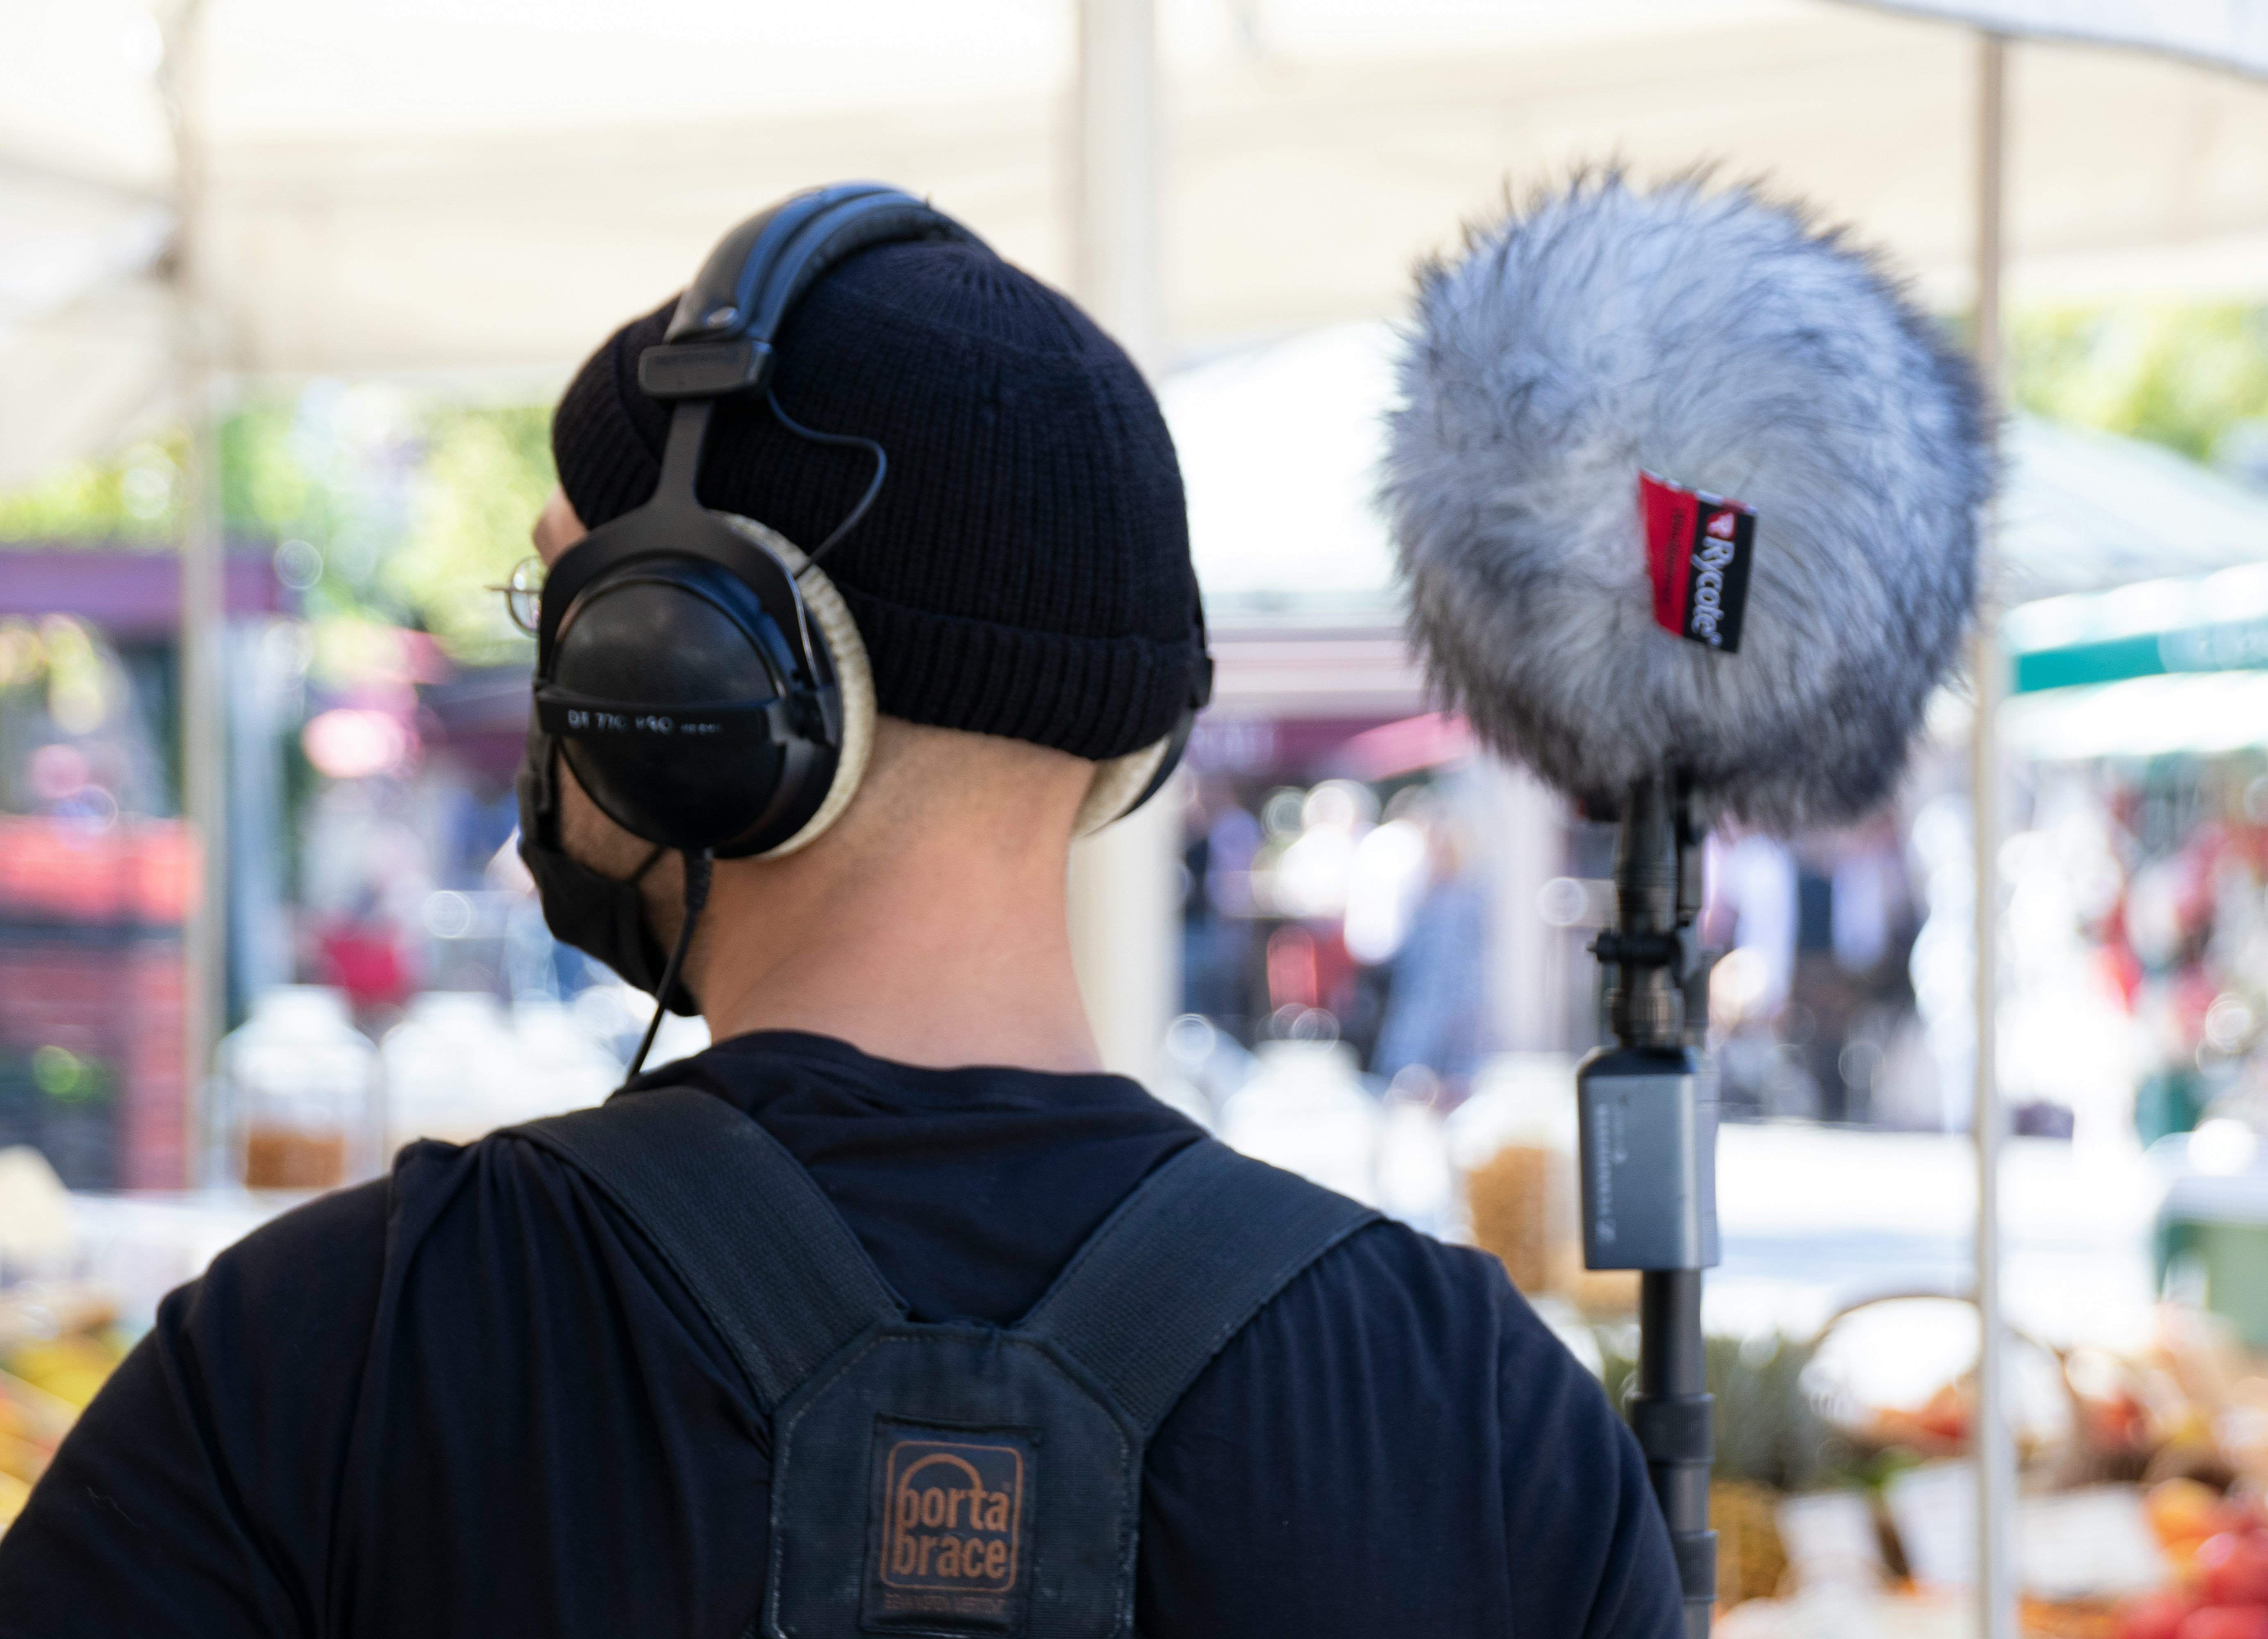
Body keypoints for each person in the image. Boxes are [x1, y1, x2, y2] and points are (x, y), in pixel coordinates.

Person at [0, 202, 1679, 1638]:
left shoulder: (328, 1357)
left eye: (565, 606)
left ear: (680, 674)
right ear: (1133, 739)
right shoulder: (1490, 1419)